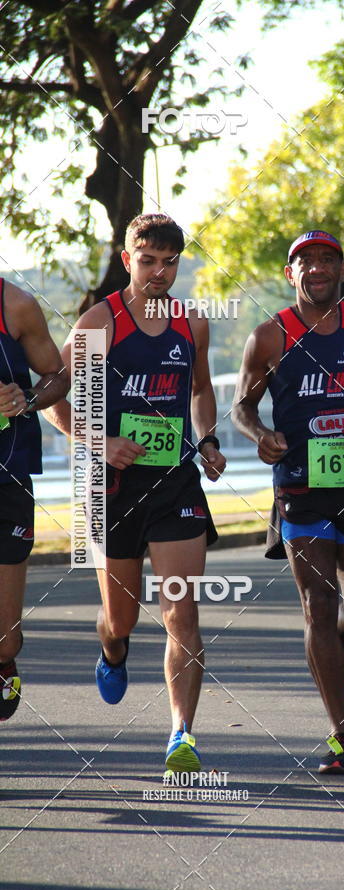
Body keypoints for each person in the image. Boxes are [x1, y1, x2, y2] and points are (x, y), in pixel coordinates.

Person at [45, 213, 226, 771]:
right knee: (119, 618)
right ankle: (112, 648)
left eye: (169, 262)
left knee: (182, 612)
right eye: (147, 261)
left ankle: (182, 734)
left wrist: (209, 439)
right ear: (128, 260)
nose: (158, 272)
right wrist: (99, 441)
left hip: (175, 486)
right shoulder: (100, 323)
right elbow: (54, 398)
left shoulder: (191, 324)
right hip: (114, 489)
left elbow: (199, 390)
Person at [233, 230, 344, 773]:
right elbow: (241, 407)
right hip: (299, 491)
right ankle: (340, 732)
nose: (316, 268)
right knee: (317, 603)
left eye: (326, 259)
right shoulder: (271, 336)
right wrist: (259, 434)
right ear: (291, 274)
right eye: (305, 261)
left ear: (341, 269)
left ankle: (343, 635)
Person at [0, 278, 69, 720]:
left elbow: (58, 377)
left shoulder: (16, 305)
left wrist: (25, 398)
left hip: (7, 479)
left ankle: (4, 660)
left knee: (5, 636)